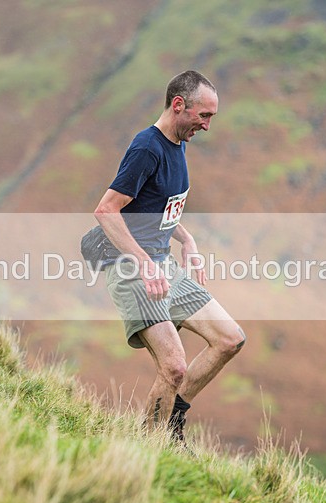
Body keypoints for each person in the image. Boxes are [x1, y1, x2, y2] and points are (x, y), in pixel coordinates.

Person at [93, 70, 246, 444]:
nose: (207, 126)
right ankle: (150, 446)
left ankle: (171, 424)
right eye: (204, 115)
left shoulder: (178, 144)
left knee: (230, 338)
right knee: (174, 367)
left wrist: (187, 239)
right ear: (179, 105)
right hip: (131, 268)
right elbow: (106, 211)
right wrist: (145, 263)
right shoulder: (147, 147)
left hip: (165, 265)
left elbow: (158, 207)